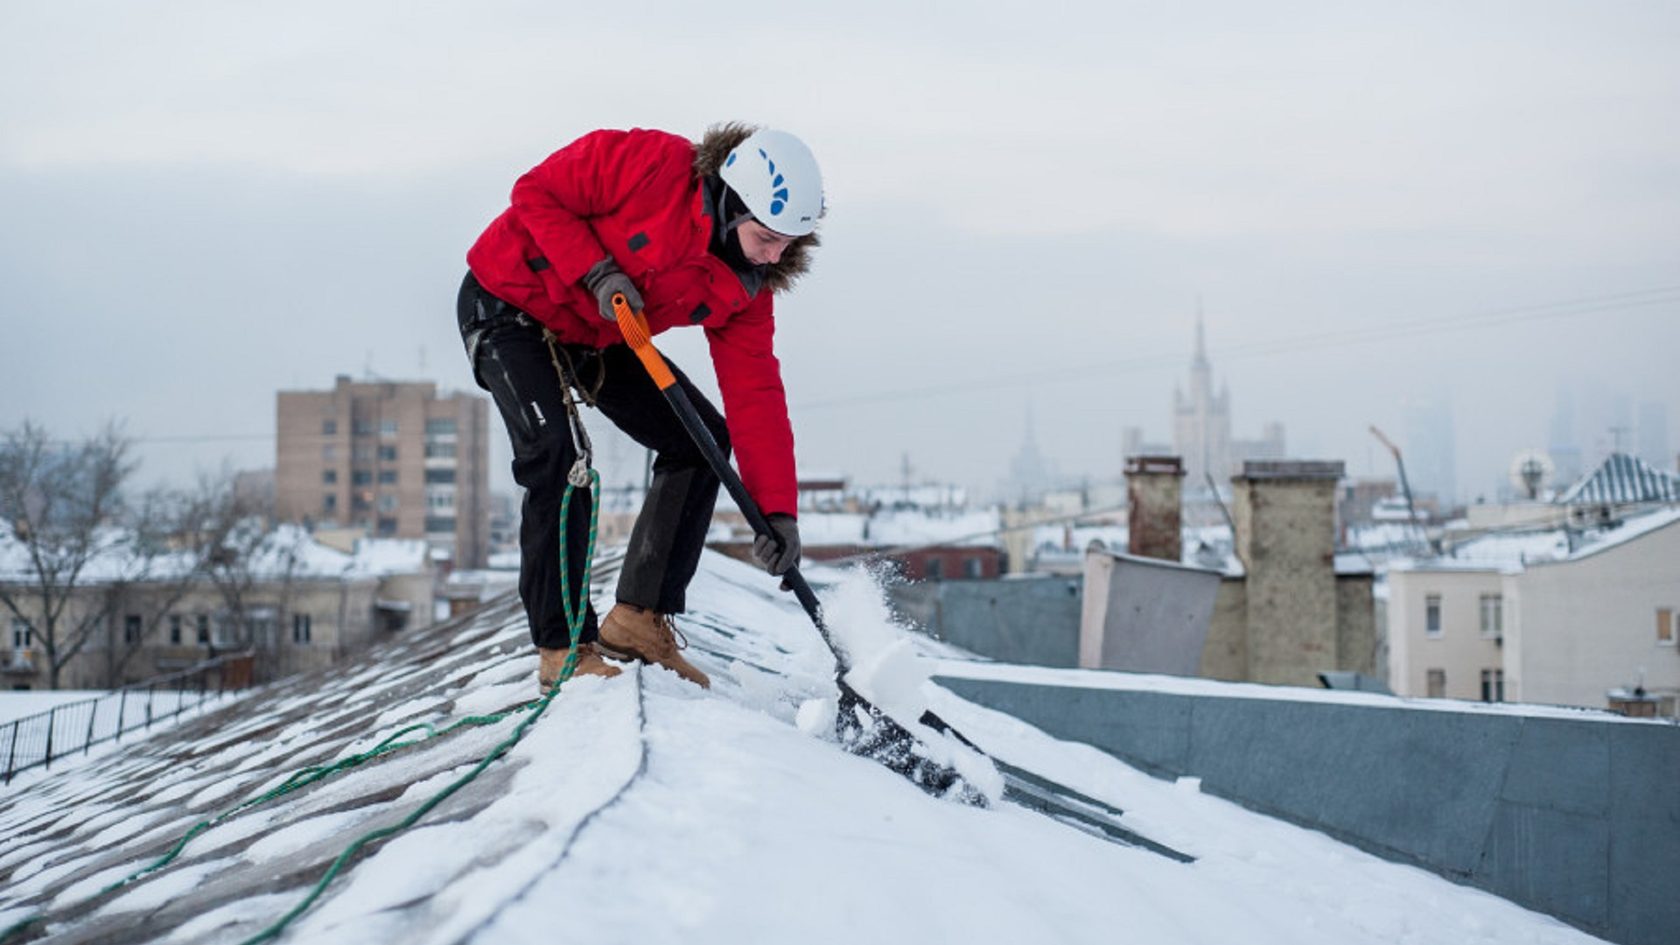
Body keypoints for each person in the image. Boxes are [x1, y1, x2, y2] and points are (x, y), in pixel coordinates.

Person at [457, 123, 821, 694]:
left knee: (700, 441)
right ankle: (562, 648)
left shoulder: (748, 287)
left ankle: (638, 620)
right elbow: (535, 193)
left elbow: (756, 393)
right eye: (766, 236)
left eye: (788, 245)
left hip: (597, 333)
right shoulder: (649, 162)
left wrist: (778, 512)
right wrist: (595, 269)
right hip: (509, 301)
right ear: (733, 203)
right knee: (561, 458)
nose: (775, 254)